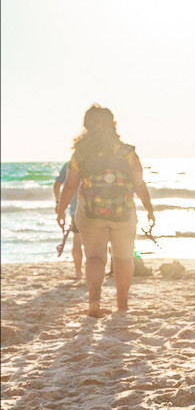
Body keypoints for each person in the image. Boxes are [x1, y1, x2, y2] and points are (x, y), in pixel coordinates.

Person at [54, 104, 155, 318]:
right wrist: (149, 209)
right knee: (123, 258)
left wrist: (61, 210)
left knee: (94, 258)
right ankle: (122, 305)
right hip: (123, 213)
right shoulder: (128, 152)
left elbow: (70, 185)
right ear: (113, 124)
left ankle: (94, 302)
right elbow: (139, 183)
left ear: (86, 127)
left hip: (90, 214)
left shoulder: (81, 154)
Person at [53, 160, 83, 280]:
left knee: (77, 240)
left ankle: (78, 272)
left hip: (76, 209)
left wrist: (59, 204)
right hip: (99, 209)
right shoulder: (99, 160)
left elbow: (57, 184)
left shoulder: (72, 163)